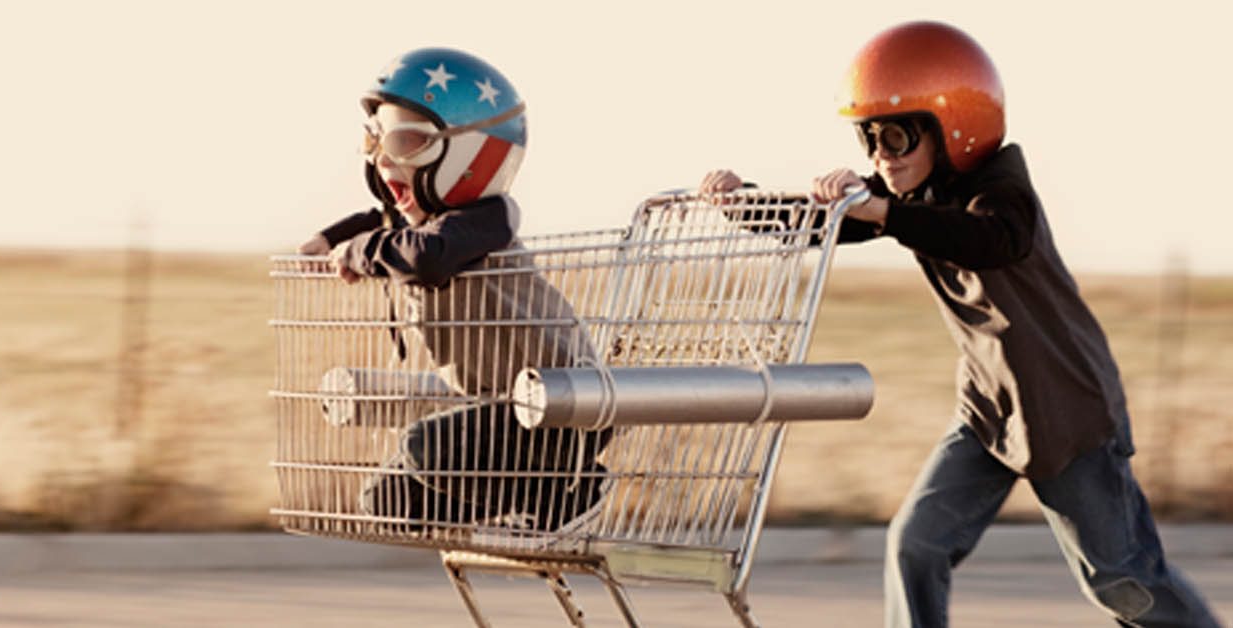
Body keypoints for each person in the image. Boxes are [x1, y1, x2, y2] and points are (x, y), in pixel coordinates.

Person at [700, 21, 1222, 628]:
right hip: (989, 411)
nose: (879, 158)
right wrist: (746, 203)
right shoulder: (915, 192)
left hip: (1065, 412)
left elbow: (990, 239)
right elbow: (820, 223)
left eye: (894, 138)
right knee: (914, 545)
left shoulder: (1002, 191)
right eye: (868, 140)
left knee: (1122, 581)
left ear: (951, 129)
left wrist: (886, 212)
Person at [298, 47, 612, 537]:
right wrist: (331, 239)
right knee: (386, 500)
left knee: (428, 445)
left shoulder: (488, 219)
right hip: (503, 413)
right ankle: (531, 497)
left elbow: (428, 256)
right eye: (374, 141)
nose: (382, 161)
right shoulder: (427, 222)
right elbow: (385, 218)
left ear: (470, 154)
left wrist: (360, 252)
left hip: (560, 405)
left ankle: (570, 488)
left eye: (405, 143)